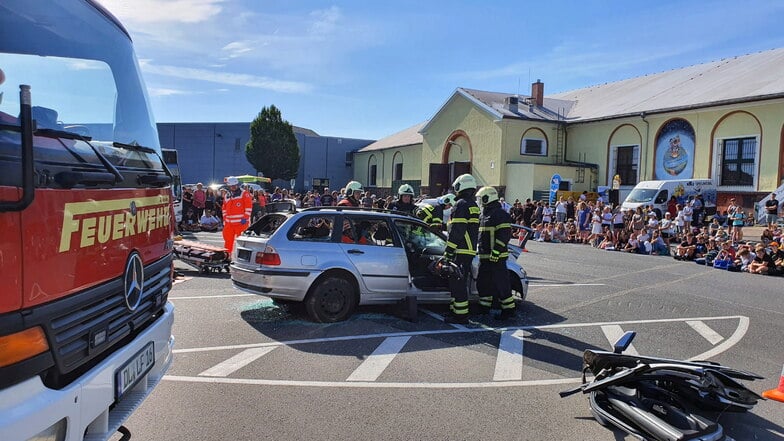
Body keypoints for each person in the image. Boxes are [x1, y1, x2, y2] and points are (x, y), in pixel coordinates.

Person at [442, 174, 480, 324]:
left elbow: (457, 231)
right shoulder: (472, 205)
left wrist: (449, 251)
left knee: (457, 283)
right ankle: (455, 311)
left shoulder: (461, 205)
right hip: (468, 250)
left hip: (460, 249)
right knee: (458, 282)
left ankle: (460, 316)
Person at [475, 186, 515, 320]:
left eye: (481, 199)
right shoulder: (483, 214)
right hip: (484, 256)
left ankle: (509, 311)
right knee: (482, 282)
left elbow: (504, 235)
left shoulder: (501, 214)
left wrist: (496, 251)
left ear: (488, 198)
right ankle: (484, 308)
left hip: (497, 257)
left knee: (502, 283)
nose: (480, 202)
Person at [222, 176, 253, 254]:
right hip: (229, 224)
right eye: (231, 186)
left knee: (242, 243)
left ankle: (241, 259)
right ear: (228, 186)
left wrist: (245, 218)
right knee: (228, 242)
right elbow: (224, 208)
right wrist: (225, 218)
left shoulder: (244, 193)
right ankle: (227, 257)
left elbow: (248, 207)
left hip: (241, 223)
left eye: (235, 185)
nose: (233, 187)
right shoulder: (227, 195)